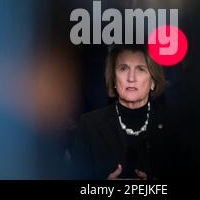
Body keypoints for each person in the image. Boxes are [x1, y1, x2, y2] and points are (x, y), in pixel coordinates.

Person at [70, 44, 177, 180]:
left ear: (153, 82)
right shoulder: (89, 126)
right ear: (114, 79)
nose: (131, 78)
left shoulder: (173, 127)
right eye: (123, 68)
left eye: (140, 69)